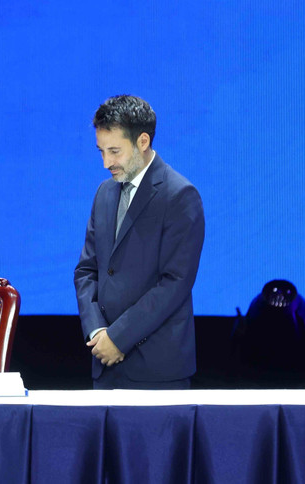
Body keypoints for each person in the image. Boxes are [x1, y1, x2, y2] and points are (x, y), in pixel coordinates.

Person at [74, 95, 205, 389]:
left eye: (115, 151)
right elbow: (86, 270)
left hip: (157, 371)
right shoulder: (104, 194)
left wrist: (118, 338)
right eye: (101, 151)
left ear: (142, 141)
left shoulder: (180, 196)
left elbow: (175, 282)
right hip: (104, 366)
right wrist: (97, 332)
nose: (106, 162)